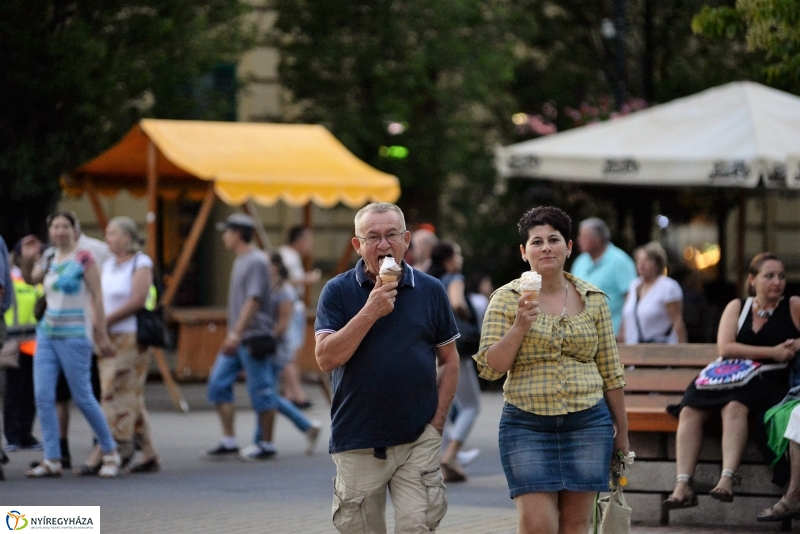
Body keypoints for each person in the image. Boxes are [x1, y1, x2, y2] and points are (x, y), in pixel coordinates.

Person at [474, 206, 629, 534]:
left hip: (588, 423)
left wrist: (623, 434)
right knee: (538, 526)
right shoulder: (505, 299)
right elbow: (490, 369)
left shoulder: (594, 299)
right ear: (524, 252)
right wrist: (519, 326)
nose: (546, 247)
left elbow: (611, 372)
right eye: (537, 241)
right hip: (526, 426)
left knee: (576, 525)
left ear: (569, 247)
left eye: (554, 240)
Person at [314, 202, 459, 534]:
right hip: (358, 440)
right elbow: (325, 359)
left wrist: (436, 426)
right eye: (373, 237)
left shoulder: (430, 290)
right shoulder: (337, 291)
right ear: (357, 245)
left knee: (416, 527)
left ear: (406, 239)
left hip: (417, 440)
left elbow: (450, 360)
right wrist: (370, 310)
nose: (383, 245)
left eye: (391, 235)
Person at [663, 252, 800, 511]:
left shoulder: (793, 305)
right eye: (769, 276)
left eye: (781, 276)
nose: (777, 282)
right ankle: (683, 484)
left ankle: (727, 478)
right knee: (690, 408)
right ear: (752, 280)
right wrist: (772, 351)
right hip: (729, 375)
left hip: (769, 380)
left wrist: (796, 344)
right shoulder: (738, 307)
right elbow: (725, 348)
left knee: (735, 406)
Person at [21, 211, 120, 478]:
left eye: (66, 226)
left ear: (75, 230)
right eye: (55, 226)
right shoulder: (50, 256)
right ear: (49, 230)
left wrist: (100, 332)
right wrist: (29, 260)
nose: (60, 231)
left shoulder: (85, 257)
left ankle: (110, 452)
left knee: (84, 397)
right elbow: (33, 279)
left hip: (75, 334)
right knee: (43, 396)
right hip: (47, 333)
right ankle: (52, 458)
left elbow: (98, 295)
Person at [75, 216, 160, 474]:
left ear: (126, 237)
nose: (107, 238)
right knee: (130, 395)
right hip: (106, 336)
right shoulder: (109, 264)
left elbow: (138, 299)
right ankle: (149, 454)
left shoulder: (141, 262)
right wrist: (98, 323)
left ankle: (108, 450)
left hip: (130, 337)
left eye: (112, 234)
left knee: (111, 393)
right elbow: (96, 295)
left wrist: (105, 320)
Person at [206, 213, 279, 460]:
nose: (224, 236)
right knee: (217, 384)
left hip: (251, 337)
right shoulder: (241, 260)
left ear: (237, 233)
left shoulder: (256, 260)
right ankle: (229, 440)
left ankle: (267, 444)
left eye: (227, 231)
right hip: (238, 337)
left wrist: (235, 334)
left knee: (261, 391)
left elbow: (254, 299)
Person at [241, 252, 322, 457]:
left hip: (277, 348)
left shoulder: (284, 290)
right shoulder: (272, 286)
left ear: (275, 267)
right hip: (271, 345)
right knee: (267, 393)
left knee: (265, 393)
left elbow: (282, 326)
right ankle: (302, 429)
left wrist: (262, 340)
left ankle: (265, 440)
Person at [427, 242, 482, 483]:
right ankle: (450, 454)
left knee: (442, 404)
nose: (460, 258)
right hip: (455, 349)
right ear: (449, 259)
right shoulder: (454, 277)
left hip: (430, 348)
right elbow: (457, 302)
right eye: (457, 254)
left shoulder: (426, 279)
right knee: (471, 406)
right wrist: (469, 317)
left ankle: (436, 458)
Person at [3, 240, 43, 452]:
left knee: (31, 390)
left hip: (34, 341)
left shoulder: (38, 277)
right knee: (14, 391)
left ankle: (26, 433)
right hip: (13, 340)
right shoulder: (10, 275)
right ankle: (12, 435)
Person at [278, 225, 321, 410]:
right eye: (308, 239)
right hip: (290, 306)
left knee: (293, 353)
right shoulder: (287, 255)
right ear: (300, 239)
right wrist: (307, 279)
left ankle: (290, 395)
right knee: (290, 353)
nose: (310, 244)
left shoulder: (290, 256)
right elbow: (282, 279)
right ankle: (297, 395)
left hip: (295, 306)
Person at [570, 217, 636, 336]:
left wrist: (624, 330)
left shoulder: (620, 261)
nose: (579, 240)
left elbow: (631, 298)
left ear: (597, 239)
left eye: (584, 237)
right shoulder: (579, 262)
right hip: (583, 336)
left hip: (612, 335)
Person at [619, 241, 688, 344]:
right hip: (633, 348)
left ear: (657, 263)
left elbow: (677, 321)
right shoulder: (634, 285)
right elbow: (626, 317)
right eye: (638, 260)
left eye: (647, 260)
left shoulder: (668, 287)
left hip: (660, 348)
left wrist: (683, 350)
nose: (641, 264)